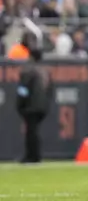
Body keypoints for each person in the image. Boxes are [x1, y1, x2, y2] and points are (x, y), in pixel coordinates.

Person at [16, 32, 53, 163]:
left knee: (31, 132)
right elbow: (50, 90)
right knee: (34, 131)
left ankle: (31, 156)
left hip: (31, 105)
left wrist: (20, 104)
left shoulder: (28, 70)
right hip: (42, 105)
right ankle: (35, 155)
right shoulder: (45, 71)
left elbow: (23, 89)